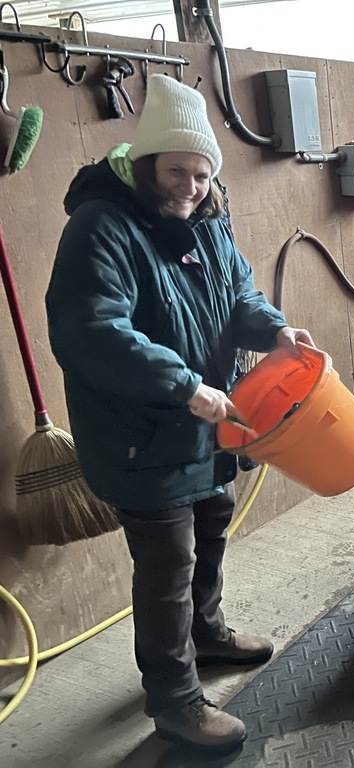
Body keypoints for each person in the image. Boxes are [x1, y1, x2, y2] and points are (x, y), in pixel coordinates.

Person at [45, 74, 314, 752]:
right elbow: (91, 330)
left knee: (214, 523)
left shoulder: (208, 220)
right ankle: (174, 699)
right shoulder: (102, 227)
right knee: (167, 562)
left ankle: (208, 635)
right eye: (177, 171)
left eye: (200, 174)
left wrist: (276, 330)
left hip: (206, 425)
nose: (190, 186)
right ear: (146, 164)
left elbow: (240, 296)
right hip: (143, 434)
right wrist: (184, 384)